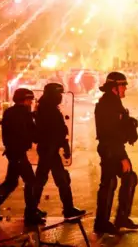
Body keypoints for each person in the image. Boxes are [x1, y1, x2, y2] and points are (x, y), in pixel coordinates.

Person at [0, 88, 46, 225]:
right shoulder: (23, 114)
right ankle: (31, 213)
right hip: (18, 153)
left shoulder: (10, 112)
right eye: (29, 100)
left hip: (13, 152)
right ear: (25, 100)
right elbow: (30, 133)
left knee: (11, 182)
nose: (31, 102)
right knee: (31, 181)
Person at [93, 72, 138, 235]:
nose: (125, 88)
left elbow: (119, 127)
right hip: (111, 149)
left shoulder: (113, 102)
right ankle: (103, 222)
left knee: (125, 179)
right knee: (110, 183)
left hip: (114, 148)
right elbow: (110, 133)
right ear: (114, 87)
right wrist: (122, 157)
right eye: (123, 85)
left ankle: (119, 218)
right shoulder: (108, 105)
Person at [34, 83, 86, 220]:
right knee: (50, 179)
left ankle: (34, 210)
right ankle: (32, 211)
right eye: (58, 94)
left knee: (54, 179)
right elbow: (53, 131)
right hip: (48, 149)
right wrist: (62, 145)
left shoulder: (47, 107)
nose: (60, 97)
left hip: (50, 149)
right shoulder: (47, 110)